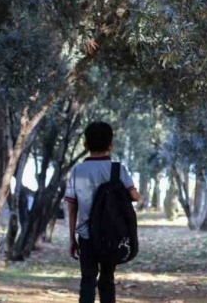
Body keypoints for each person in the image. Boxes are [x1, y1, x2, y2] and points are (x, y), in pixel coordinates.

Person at [65, 121, 141, 303]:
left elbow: (72, 206)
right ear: (111, 145)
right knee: (107, 278)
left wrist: (71, 239)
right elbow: (135, 196)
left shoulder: (77, 171)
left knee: (87, 279)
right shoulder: (118, 170)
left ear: (86, 146)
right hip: (111, 234)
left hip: (86, 235)